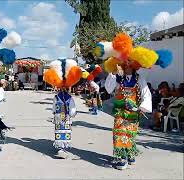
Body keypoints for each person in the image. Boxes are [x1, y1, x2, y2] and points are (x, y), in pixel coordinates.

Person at [94, 32, 172, 170]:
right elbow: (108, 89)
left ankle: (129, 153)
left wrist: (141, 107)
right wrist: (113, 74)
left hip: (133, 112)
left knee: (130, 134)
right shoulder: (118, 77)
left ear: (134, 64)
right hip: (119, 112)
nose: (125, 65)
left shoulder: (139, 79)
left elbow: (146, 93)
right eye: (124, 62)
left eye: (129, 62)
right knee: (119, 133)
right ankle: (121, 158)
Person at [44, 58, 82, 159]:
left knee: (59, 131)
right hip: (66, 118)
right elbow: (72, 109)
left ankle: (60, 148)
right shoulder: (69, 98)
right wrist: (72, 114)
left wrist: (54, 113)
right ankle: (62, 149)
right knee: (65, 132)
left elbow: (53, 107)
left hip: (58, 117)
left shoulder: (57, 97)